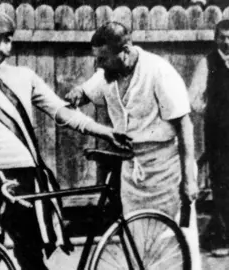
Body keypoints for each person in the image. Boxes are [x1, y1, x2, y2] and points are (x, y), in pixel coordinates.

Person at [0, 12, 132, 270]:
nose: (0, 48)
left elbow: (61, 111)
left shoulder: (25, 76)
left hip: (26, 179)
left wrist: (103, 132)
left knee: (31, 257)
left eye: (6, 40)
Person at [66, 21, 201, 269]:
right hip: (132, 170)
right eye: (96, 59)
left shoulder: (159, 71)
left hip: (166, 169)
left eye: (103, 59)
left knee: (171, 241)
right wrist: (77, 93)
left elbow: (185, 125)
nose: (98, 65)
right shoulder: (108, 74)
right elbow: (86, 91)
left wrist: (190, 181)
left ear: (126, 50)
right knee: (136, 238)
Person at [189, 19, 229, 257]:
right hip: (219, 137)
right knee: (223, 184)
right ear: (216, 38)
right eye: (222, 36)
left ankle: (216, 231)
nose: (227, 41)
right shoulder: (207, 63)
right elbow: (193, 98)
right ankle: (223, 238)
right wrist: (214, 112)